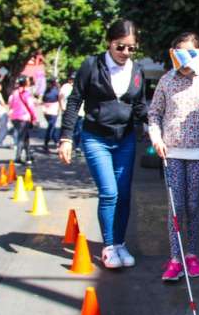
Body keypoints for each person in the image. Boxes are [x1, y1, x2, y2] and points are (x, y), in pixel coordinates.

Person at [58, 19, 147, 269]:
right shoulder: (91, 65)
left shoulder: (137, 70)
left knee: (125, 194)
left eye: (131, 48)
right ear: (110, 42)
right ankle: (108, 247)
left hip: (125, 139)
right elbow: (75, 101)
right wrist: (66, 137)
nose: (126, 53)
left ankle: (120, 243)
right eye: (121, 47)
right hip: (96, 138)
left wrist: (155, 126)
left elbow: (139, 106)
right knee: (110, 192)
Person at [148, 32, 199, 281]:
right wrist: (156, 138)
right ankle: (174, 259)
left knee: (192, 205)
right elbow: (154, 114)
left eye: (190, 51)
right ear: (173, 54)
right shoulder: (166, 80)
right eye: (180, 51)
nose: (185, 57)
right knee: (176, 206)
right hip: (171, 152)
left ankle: (191, 255)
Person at [9, 76, 37, 165]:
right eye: (28, 81)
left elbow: (11, 104)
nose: (29, 82)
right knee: (21, 138)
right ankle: (18, 158)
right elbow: (31, 106)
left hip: (15, 118)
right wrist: (34, 118)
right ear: (25, 83)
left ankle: (28, 156)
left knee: (25, 137)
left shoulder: (15, 93)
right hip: (24, 118)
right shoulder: (26, 93)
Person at [58, 72, 84, 153]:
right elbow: (60, 96)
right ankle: (63, 144)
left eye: (74, 79)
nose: (72, 81)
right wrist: (62, 106)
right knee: (67, 129)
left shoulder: (81, 86)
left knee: (78, 130)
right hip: (68, 112)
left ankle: (77, 146)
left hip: (80, 112)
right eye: (71, 79)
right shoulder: (66, 86)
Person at [42, 78, 60, 151]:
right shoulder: (56, 91)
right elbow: (59, 99)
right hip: (53, 111)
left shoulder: (46, 91)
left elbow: (43, 99)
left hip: (46, 111)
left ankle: (57, 143)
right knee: (51, 128)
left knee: (52, 127)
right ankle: (46, 144)